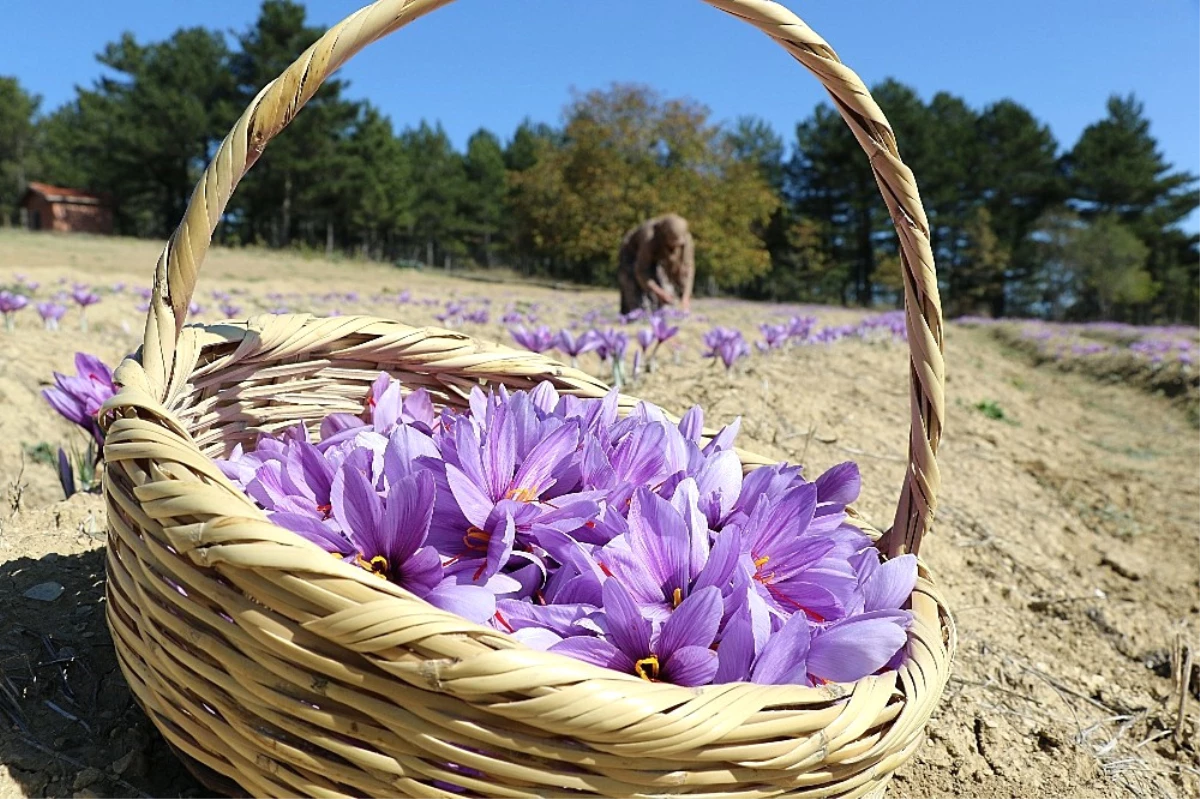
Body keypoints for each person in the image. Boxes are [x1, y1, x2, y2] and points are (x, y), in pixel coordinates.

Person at [616, 213, 695, 316]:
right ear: (665, 236)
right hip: (631, 257)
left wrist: (685, 298)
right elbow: (641, 271)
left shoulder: (685, 239)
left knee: (666, 301)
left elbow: (688, 269)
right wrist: (659, 292)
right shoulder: (649, 237)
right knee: (637, 308)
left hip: (656, 259)